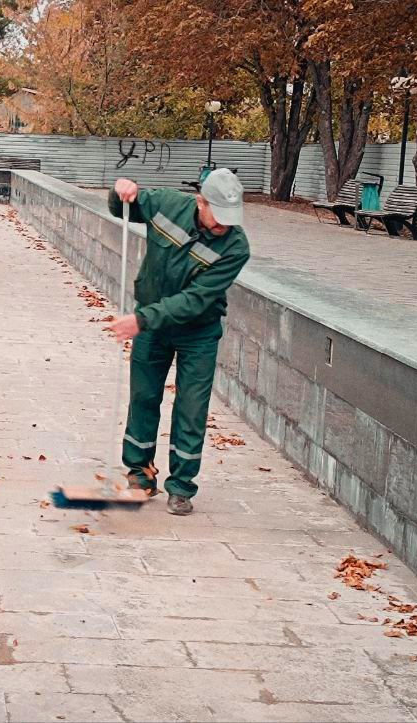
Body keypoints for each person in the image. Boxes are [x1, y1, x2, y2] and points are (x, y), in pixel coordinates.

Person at [105, 168, 251, 516]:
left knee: (192, 407)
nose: (224, 226)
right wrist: (121, 191)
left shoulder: (236, 247)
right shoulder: (169, 204)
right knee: (143, 396)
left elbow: (196, 300)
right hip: (153, 325)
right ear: (201, 201)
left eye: (231, 218)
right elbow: (125, 207)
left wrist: (141, 319)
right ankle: (140, 476)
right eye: (218, 216)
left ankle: (182, 486)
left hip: (197, 331)